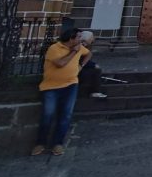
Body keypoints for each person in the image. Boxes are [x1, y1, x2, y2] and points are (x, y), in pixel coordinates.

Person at [31, 27, 88, 156]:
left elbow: (88, 53)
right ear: (71, 38)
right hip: (51, 87)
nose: (81, 40)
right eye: (78, 37)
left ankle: (58, 144)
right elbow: (61, 63)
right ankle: (40, 143)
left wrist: (81, 66)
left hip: (71, 85)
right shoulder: (54, 49)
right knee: (48, 115)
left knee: (66, 116)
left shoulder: (79, 48)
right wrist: (74, 52)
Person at [77, 31, 106, 99]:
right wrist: (93, 65)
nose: (93, 39)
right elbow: (80, 59)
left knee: (95, 71)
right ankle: (95, 92)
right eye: (91, 38)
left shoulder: (86, 46)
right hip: (77, 69)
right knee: (96, 71)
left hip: (80, 67)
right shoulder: (82, 46)